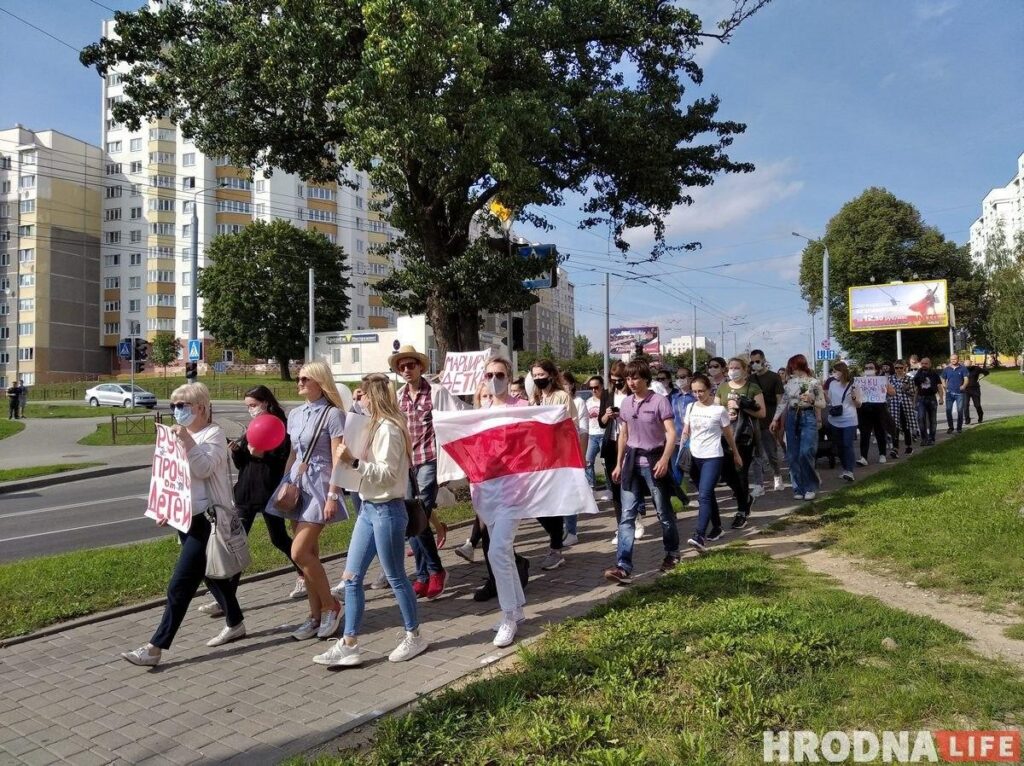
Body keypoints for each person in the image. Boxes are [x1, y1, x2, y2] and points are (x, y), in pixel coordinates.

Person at [121, 383, 245, 666]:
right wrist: (166, 508)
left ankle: (155, 648)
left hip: (207, 520)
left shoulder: (212, 434)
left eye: (182, 406)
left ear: (200, 407)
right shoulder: (176, 436)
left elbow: (203, 469)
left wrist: (187, 441)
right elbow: (173, 478)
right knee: (213, 576)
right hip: (185, 518)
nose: (176, 411)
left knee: (180, 586)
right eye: (174, 406)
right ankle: (236, 622)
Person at [313, 374, 428, 667]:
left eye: (361, 394)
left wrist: (352, 461)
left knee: (395, 576)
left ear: (375, 396)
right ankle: (349, 643)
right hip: (368, 509)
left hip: (388, 509)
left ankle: (414, 635)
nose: (357, 399)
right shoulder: (371, 426)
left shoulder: (389, 428)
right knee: (350, 578)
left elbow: (386, 474)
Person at [198, 386, 295, 617]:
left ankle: (307, 572)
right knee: (235, 544)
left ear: (265, 402)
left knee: (279, 539)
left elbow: (283, 460)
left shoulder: (279, 425)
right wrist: (238, 451)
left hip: (269, 492)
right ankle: (225, 599)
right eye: (247, 407)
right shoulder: (252, 427)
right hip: (246, 493)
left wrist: (263, 454)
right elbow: (243, 465)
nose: (251, 410)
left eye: (253, 405)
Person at [266, 360, 346, 641]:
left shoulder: (333, 414)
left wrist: (334, 494)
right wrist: (286, 482)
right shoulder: (296, 414)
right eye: (298, 379)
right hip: (298, 487)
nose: (299, 383)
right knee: (311, 555)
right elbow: (292, 453)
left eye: (304, 379)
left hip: (321, 486)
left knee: (298, 553)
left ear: (319, 382)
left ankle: (331, 606)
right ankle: (314, 616)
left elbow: (338, 457)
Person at [470, 358, 532, 638]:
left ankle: (508, 617)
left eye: (500, 374)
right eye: (490, 374)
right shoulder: (481, 411)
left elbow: (533, 444)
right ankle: (517, 607)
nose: (494, 379)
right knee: (503, 552)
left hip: (514, 491)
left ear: (509, 377)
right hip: (489, 491)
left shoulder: (521, 408)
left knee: (496, 551)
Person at [603, 359, 680, 584]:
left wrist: (665, 459)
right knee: (627, 516)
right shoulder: (626, 403)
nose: (631, 382)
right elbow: (623, 436)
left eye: (635, 378)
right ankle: (623, 566)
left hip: (654, 461)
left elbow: (671, 433)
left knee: (664, 513)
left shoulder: (659, 402)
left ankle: (672, 554)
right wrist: (618, 464)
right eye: (628, 378)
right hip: (631, 464)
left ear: (646, 378)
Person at [392, 344, 459, 600]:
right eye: (402, 366)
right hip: (406, 462)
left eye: (411, 365)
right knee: (411, 520)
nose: (407, 370)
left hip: (429, 459)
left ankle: (435, 571)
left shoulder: (436, 392)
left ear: (420, 366)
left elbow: (454, 418)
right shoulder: (398, 396)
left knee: (419, 516)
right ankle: (422, 575)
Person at [683, 373, 743, 552]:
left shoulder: (718, 410)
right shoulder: (691, 407)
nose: (698, 394)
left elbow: (728, 434)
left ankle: (699, 535)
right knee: (707, 494)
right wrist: (680, 444)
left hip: (713, 456)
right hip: (694, 456)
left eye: (701, 391)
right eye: (694, 391)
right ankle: (717, 527)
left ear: (709, 390)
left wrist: (735, 453)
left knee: (704, 495)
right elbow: (686, 430)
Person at [529, 359, 578, 570]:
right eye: (535, 375)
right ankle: (556, 538)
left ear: (550, 374)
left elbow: (571, 425)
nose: (539, 378)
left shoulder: (562, 397)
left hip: (557, 457)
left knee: (553, 504)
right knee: (536, 504)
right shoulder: (535, 399)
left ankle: (555, 549)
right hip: (538, 459)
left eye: (541, 374)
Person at [716, 357, 766, 529]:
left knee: (741, 472)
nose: (733, 370)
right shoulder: (723, 388)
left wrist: (741, 406)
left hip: (744, 436)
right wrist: (724, 412)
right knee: (725, 472)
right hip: (725, 436)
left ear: (745, 370)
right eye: (730, 367)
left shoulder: (752, 388)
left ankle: (742, 511)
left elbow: (762, 413)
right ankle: (745, 498)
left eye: (737, 367)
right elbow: (715, 410)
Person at [770, 354, 825, 501]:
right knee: (793, 455)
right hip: (792, 416)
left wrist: (812, 401)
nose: (791, 370)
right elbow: (783, 403)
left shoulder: (814, 382)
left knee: (806, 452)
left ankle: (810, 486)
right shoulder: (789, 384)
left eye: (792, 367)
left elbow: (822, 403)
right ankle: (798, 487)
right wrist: (775, 419)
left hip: (808, 415)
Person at [560, 371, 590, 546]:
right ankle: (563, 529)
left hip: (572, 453)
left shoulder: (578, 402)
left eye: (566, 383)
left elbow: (584, 431)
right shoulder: (555, 399)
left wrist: (583, 457)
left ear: (572, 385)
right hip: (557, 456)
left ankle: (571, 531)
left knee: (569, 494)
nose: (563, 387)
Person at [749, 350, 785, 493]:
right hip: (754, 420)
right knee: (756, 454)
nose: (755, 364)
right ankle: (759, 484)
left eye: (757, 361)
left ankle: (777, 475)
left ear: (764, 360)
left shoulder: (774, 377)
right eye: (752, 362)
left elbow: (780, 401)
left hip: (769, 419)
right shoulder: (750, 379)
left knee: (771, 452)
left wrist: (776, 419)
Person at [824, 361, 861, 482]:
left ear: (842, 371)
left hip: (849, 419)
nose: (833, 373)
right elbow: (830, 400)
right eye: (833, 371)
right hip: (835, 419)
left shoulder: (853, 385)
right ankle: (845, 469)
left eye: (835, 371)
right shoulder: (833, 384)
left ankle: (850, 470)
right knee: (839, 446)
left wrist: (854, 398)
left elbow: (859, 404)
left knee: (847, 444)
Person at [855, 362, 891, 465]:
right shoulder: (860, 381)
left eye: (871, 367)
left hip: (879, 409)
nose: (868, 369)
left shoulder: (881, 380)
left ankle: (882, 454)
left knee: (880, 432)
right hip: (864, 410)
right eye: (866, 367)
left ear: (876, 369)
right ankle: (863, 457)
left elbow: (892, 392)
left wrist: (886, 388)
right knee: (864, 434)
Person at [584, 375, 610, 497]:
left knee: (606, 463)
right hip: (592, 435)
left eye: (596, 387)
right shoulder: (588, 402)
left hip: (604, 434)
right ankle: (591, 487)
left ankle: (610, 488)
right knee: (588, 461)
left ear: (601, 386)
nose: (594, 390)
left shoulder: (607, 401)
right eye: (591, 388)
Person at [886, 360, 917, 456]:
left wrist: (906, 389)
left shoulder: (909, 379)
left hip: (905, 404)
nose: (899, 370)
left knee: (905, 425)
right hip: (894, 404)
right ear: (894, 368)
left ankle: (908, 446)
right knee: (894, 426)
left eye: (901, 368)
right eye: (896, 368)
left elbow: (912, 393)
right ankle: (895, 448)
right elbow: (887, 392)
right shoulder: (890, 379)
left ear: (904, 368)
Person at [912, 358, 943, 445]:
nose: (924, 365)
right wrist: (914, 402)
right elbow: (916, 389)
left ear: (930, 364)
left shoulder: (934, 374)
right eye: (922, 363)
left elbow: (939, 386)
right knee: (921, 418)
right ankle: (924, 438)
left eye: (926, 363)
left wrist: (941, 398)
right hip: (921, 399)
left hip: (932, 398)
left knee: (932, 420)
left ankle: (931, 438)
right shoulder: (918, 375)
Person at [940, 354, 969, 434]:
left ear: (958, 359)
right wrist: (944, 385)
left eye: (954, 359)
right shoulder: (947, 369)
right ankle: (951, 427)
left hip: (960, 393)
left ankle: (959, 428)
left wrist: (964, 386)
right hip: (949, 393)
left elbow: (966, 379)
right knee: (948, 411)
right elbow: (943, 378)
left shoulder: (963, 369)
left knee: (960, 411)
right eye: (952, 359)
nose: (953, 360)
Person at [963, 358, 990, 425]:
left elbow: (986, 372)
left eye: (969, 366)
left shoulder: (976, 368)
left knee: (977, 405)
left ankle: (980, 416)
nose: (967, 367)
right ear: (964, 365)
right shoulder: (962, 369)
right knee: (965, 405)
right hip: (966, 389)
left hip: (975, 389)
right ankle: (967, 420)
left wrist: (980, 378)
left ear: (971, 364)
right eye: (966, 366)